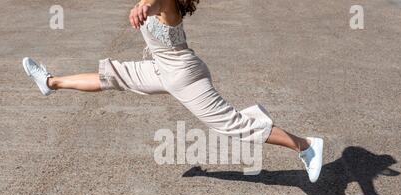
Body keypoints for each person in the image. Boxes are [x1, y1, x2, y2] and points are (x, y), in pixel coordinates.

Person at [22, 0, 324, 182]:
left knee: (232, 125)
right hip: (160, 69)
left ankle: (306, 145)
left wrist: (142, 8)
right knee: (112, 75)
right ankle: (49, 82)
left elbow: (151, 5)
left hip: (183, 75)